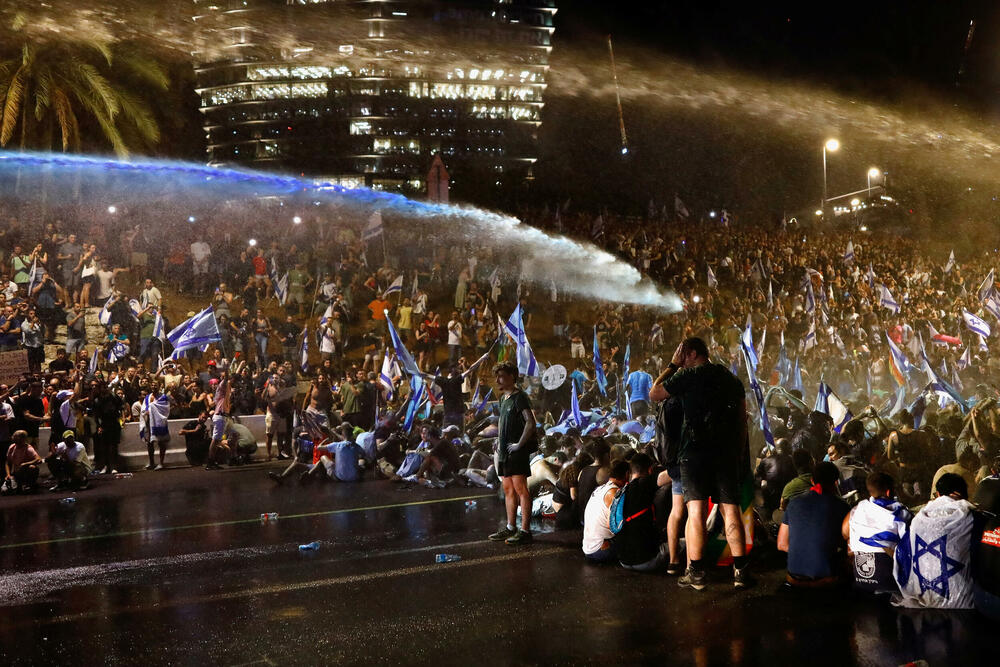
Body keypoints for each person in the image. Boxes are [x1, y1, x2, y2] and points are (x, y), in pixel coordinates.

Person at [650, 337, 750, 590]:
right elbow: (742, 420)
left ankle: (695, 572)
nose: (682, 360)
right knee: (731, 510)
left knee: (695, 512)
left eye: (683, 355)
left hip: (693, 453)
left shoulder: (688, 376)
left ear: (692, 354)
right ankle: (741, 573)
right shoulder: (729, 377)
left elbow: (655, 393)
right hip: (726, 453)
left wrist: (672, 365)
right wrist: (738, 455)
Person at [893, 473, 976, 609]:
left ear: (937, 494)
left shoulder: (918, 519)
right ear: (961, 493)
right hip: (964, 604)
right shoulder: (970, 517)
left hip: (924, 599)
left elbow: (903, 555)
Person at [778, 461, 850, 588]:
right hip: (827, 581)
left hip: (793, 579)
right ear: (836, 482)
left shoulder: (794, 503)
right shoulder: (842, 506)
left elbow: (782, 545)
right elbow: (848, 546)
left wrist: (803, 550)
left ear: (812, 481)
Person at [488, 362, 537, 546]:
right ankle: (510, 527)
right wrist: (498, 440)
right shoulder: (503, 399)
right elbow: (502, 422)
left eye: (501, 376)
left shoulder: (520, 397)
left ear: (512, 377)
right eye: (497, 376)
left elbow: (530, 423)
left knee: (521, 490)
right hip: (504, 452)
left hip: (516, 452)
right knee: (508, 489)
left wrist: (518, 445)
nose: (498, 379)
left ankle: (525, 530)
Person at [842, 472, 912, 593]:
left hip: (860, 580)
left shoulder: (857, 509)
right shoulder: (901, 512)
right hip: (888, 582)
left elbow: (844, 533)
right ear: (889, 492)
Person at [614, 453, 669, 571]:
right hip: (647, 561)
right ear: (649, 469)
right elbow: (671, 474)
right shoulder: (645, 483)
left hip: (623, 561)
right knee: (684, 543)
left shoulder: (621, 491)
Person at [582, 459, 629, 562]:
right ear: (627, 474)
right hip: (600, 551)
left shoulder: (600, 489)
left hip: (588, 548)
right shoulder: (615, 493)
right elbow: (613, 525)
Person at [3, 430, 42, 494]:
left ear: (22, 438)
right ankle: (19, 485)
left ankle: (30, 484)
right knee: (5, 491)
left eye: (15, 436)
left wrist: (26, 464)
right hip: (16, 474)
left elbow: (39, 459)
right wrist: (8, 474)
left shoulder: (28, 448)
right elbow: (7, 462)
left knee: (32, 468)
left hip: (24, 472)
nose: (12, 437)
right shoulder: (12, 447)